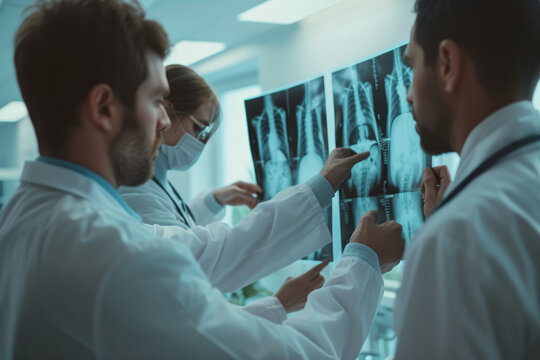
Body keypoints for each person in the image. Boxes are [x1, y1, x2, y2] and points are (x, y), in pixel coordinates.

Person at [0, 1, 405, 359]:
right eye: (156, 100)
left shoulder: (23, 218)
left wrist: (318, 188)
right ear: (105, 108)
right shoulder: (112, 257)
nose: (163, 122)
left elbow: (209, 251)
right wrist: (362, 266)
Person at [119, 64, 330, 323]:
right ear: (166, 114)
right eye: (198, 128)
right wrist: (278, 305)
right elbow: (205, 259)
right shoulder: (135, 187)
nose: (200, 142)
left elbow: (176, 232)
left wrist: (214, 199)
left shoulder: (155, 182)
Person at [390, 0, 540, 358]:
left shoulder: (455, 239)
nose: (409, 94)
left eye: (412, 66)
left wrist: (450, 224)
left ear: (446, 64)